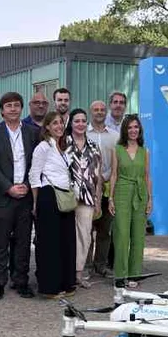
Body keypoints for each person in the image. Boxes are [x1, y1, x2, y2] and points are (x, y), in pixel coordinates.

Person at [0, 92, 39, 300]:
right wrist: (9, 187)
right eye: (9, 106)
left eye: (16, 105)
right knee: (1, 242)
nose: (13, 109)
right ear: (2, 110)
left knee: (23, 241)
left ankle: (21, 281)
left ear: (21, 109)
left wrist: (26, 185)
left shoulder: (33, 132)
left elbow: (37, 162)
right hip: (2, 196)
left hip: (25, 195)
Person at [30, 111, 78, 297]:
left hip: (64, 196)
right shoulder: (43, 147)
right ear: (47, 127)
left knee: (66, 242)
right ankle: (49, 287)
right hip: (48, 196)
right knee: (50, 244)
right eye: (54, 123)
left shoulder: (62, 147)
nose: (59, 126)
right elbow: (34, 175)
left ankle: (66, 283)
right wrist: (35, 203)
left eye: (61, 123)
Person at [109, 115, 152, 288]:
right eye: (130, 127)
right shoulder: (117, 149)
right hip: (122, 192)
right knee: (121, 235)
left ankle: (135, 275)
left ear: (140, 130)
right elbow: (114, 174)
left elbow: (147, 176)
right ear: (125, 130)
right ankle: (120, 275)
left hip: (140, 194)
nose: (133, 130)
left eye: (136, 127)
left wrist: (150, 199)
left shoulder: (145, 151)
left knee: (138, 236)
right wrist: (110, 198)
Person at [65, 108, 102, 288]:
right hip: (66, 197)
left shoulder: (94, 146)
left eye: (83, 121)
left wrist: (98, 199)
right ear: (71, 123)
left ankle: (78, 273)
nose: (80, 124)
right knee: (65, 235)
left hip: (87, 198)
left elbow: (98, 176)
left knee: (84, 236)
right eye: (76, 121)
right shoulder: (63, 143)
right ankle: (65, 272)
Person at [87, 100, 118, 277]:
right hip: (88, 189)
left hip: (107, 189)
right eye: (96, 110)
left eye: (102, 110)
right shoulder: (84, 133)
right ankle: (87, 265)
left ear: (106, 112)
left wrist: (104, 177)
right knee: (87, 229)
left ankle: (101, 264)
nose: (99, 112)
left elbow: (116, 162)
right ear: (91, 112)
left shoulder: (114, 136)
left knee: (104, 230)